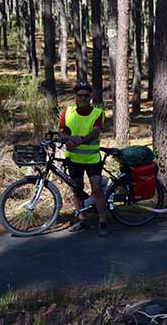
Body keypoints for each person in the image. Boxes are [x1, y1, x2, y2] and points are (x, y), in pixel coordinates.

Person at [59, 82, 109, 236]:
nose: (83, 98)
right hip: (73, 158)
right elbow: (62, 133)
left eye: (86, 95)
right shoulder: (67, 112)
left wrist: (79, 140)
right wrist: (69, 138)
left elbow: (95, 133)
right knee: (77, 191)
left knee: (97, 190)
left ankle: (103, 221)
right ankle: (82, 219)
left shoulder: (98, 113)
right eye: (80, 95)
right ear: (75, 97)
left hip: (92, 159)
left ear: (90, 97)